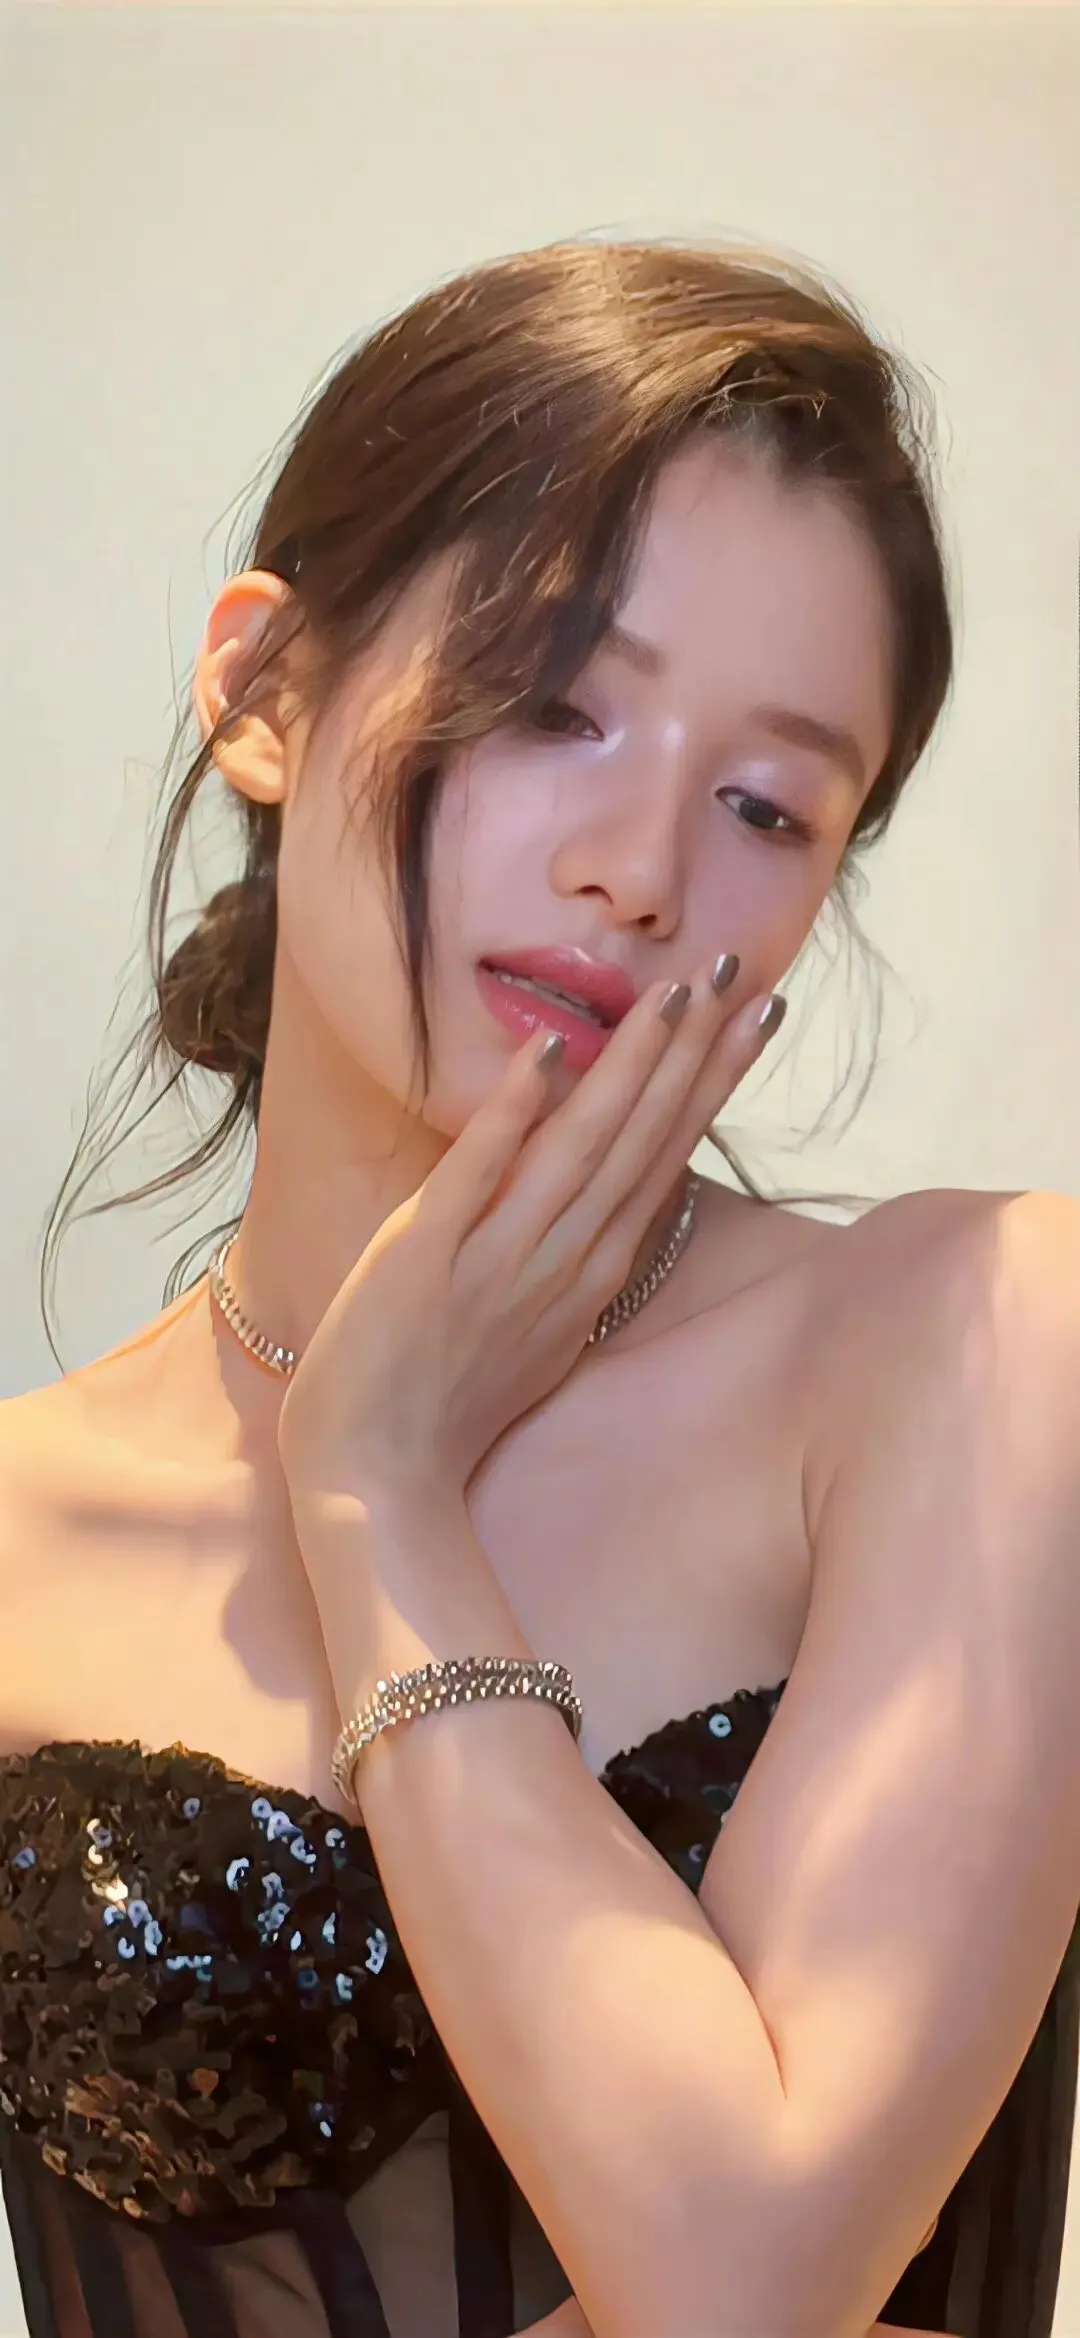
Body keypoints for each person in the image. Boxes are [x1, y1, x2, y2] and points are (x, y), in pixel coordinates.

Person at [0, 236, 1077, 2338]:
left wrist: (380, 1486)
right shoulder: (22, 1527)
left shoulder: (967, 1340)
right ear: (267, 692)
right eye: (549, 703)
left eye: (766, 803)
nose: (642, 871)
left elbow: (744, 2280)